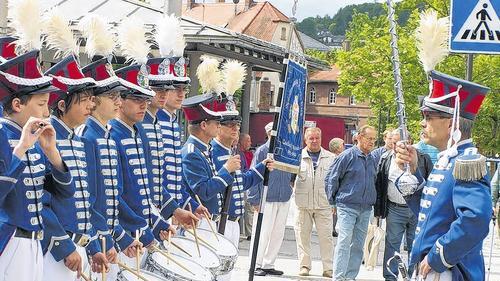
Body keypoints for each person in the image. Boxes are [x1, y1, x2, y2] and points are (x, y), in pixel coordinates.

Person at [395, 72, 492, 280]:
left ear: (451, 124)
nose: (423, 123)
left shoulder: (466, 163)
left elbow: (475, 220)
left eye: (429, 117)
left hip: (449, 271)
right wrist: (413, 169)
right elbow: (432, 214)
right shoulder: (448, 159)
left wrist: (438, 256)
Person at [0, 45, 73, 281]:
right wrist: (20, 149)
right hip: (8, 241)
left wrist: (52, 153)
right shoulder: (3, 134)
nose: (46, 112)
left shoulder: (34, 137)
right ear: (17, 105)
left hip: (34, 244)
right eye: (41, 104)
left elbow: (64, 193)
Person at [42, 52, 111, 280]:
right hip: (56, 252)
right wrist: (63, 246)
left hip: (78, 249)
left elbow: (86, 203)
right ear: (62, 104)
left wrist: (92, 247)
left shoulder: (79, 143)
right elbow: (38, 202)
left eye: (92, 99)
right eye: (84, 99)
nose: (91, 105)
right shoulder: (44, 140)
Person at [374, 128, 433, 280]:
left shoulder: (423, 158)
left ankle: (414, 276)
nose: (395, 146)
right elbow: (380, 184)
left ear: (410, 143)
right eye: (393, 143)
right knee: (392, 245)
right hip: (394, 208)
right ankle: (390, 276)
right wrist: (379, 211)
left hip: (416, 211)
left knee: (416, 245)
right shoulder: (386, 158)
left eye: (399, 143)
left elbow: (430, 184)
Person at [325, 125, 378, 280]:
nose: (372, 142)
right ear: (359, 137)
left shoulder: (372, 159)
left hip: (366, 208)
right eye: (369, 139)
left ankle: (350, 277)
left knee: (358, 245)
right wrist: (332, 201)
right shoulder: (346, 156)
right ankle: (339, 277)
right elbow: (331, 178)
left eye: (374, 139)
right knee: (344, 241)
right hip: (347, 205)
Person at [248, 122, 293, 276]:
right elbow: (253, 174)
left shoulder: (286, 151)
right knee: (261, 232)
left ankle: (269, 263)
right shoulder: (263, 151)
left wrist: (290, 186)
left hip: (283, 197)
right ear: (269, 134)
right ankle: (256, 263)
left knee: (277, 233)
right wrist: (254, 199)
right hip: (266, 198)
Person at [294, 127, 335, 278]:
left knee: (327, 238)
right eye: (311, 138)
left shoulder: (331, 158)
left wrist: (334, 201)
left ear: (321, 138)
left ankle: (328, 268)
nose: (314, 141)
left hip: (323, 205)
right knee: (302, 237)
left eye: (317, 138)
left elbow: (335, 181)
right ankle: (304, 266)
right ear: (305, 140)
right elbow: (290, 180)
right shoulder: (297, 157)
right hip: (303, 204)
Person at [328, 137, 344, 237]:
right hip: (334, 190)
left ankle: (332, 228)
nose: (344, 147)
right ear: (337, 147)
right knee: (333, 211)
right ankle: (331, 228)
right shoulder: (335, 159)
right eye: (343, 145)